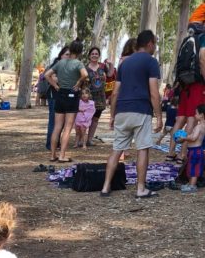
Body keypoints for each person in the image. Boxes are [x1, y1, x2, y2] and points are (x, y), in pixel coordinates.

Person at [101, 30, 162, 199]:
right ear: (150, 43)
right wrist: (159, 116)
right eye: (155, 44)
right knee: (142, 149)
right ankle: (141, 189)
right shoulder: (151, 62)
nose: (154, 48)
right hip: (141, 110)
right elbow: (154, 93)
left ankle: (106, 187)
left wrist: (113, 115)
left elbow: (114, 93)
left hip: (122, 110)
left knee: (117, 149)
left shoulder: (124, 64)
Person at [166, 24, 205, 163]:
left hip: (185, 86)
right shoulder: (201, 40)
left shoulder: (187, 40)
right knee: (192, 120)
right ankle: (183, 155)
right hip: (197, 85)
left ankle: (170, 153)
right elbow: (202, 60)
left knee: (180, 119)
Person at [45, 40, 88, 162]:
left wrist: (55, 85)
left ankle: (53, 155)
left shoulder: (61, 62)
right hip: (72, 94)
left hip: (60, 94)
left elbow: (47, 75)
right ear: (80, 51)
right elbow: (85, 75)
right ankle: (62, 155)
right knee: (68, 128)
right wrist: (78, 83)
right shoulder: (78, 63)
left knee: (57, 126)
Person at [43, 45, 70, 151]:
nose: (68, 57)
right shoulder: (57, 64)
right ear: (61, 55)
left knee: (61, 121)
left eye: (70, 55)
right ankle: (50, 144)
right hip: (54, 95)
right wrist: (56, 85)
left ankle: (56, 143)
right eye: (66, 54)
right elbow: (49, 76)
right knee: (53, 120)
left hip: (63, 96)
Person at [180, 102, 205, 193]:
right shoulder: (203, 126)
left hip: (195, 151)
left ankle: (192, 186)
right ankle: (190, 183)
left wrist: (185, 138)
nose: (195, 115)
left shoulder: (198, 127)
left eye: (196, 113)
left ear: (201, 115)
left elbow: (194, 138)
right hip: (197, 151)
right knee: (193, 167)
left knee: (194, 169)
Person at [84, 46, 106, 145]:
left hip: (100, 97)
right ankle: (82, 140)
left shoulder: (103, 67)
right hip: (88, 98)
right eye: (92, 54)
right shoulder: (85, 68)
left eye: (96, 54)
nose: (94, 55)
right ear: (89, 56)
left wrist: (110, 64)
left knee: (95, 119)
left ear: (99, 56)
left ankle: (90, 139)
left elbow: (109, 76)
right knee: (86, 118)